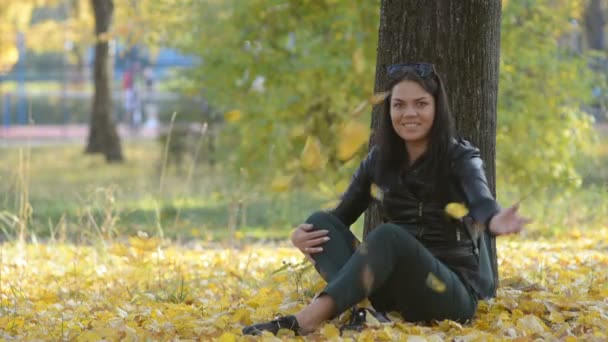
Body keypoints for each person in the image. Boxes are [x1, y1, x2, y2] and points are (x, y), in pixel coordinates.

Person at [242, 63, 530, 336]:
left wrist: (494, 220)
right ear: (389, 110)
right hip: (394, 290)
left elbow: (481, 201)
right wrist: (299, 235)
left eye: (421, 104)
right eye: (399, 105)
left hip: (448, 292)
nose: (409, 113)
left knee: (389, 235)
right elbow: (339, 217)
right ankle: (369, 312)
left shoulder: (461, 158)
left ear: (437, 109)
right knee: (319, 222)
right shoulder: (379, 160)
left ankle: (306, 320)